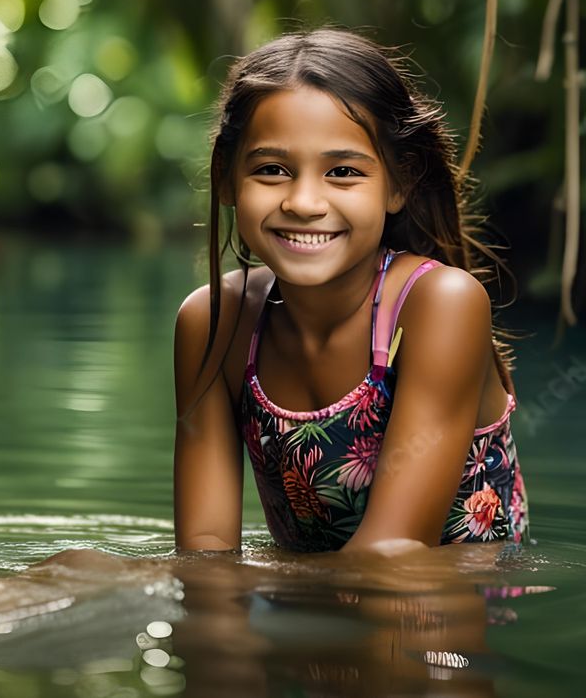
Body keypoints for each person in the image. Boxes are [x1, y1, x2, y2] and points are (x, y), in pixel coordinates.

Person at [172, 29, 528, 554]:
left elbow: (392, 553)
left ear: (398, 183)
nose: (304, 201)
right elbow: (205, 550)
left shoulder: (440, 305)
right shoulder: (215, 321)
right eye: (272, 170)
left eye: (342, 172)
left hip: (440, 618)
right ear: (227, 179)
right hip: (310, 609)